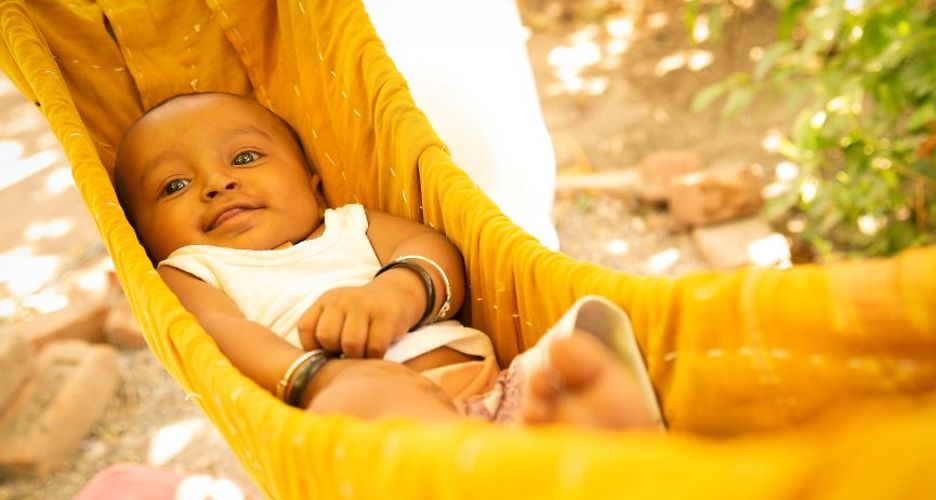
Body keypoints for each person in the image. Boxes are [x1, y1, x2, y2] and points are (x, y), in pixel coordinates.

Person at [113, 92, 663, 430]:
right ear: (146, 237)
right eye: (174, 185)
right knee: (363, 395)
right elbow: (221, 334)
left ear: (313, 183)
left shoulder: (349, 225)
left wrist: (394, 292)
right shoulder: (192, 270)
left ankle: (571, 434)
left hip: (499, 387)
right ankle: (499, 466)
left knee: (584, 336)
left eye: (246, 157)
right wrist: (315, 378)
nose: (217, 182)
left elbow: (434, 253)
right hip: (374, 419)